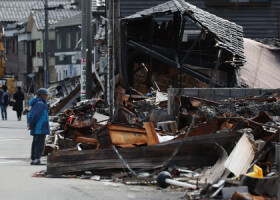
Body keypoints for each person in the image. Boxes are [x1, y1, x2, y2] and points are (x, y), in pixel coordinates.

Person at [27, 88, 50, 165]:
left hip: (38, 127)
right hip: (40, 127)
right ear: (42, 95)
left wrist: (30, 124)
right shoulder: (40, 104)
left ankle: (34, 159)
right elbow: (36, 116)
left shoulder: (37, 103)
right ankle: (37, 159)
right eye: (46, 95)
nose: (47, 96)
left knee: (35, 142)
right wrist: (32, 124)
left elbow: (30, 115)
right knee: (39, 143)